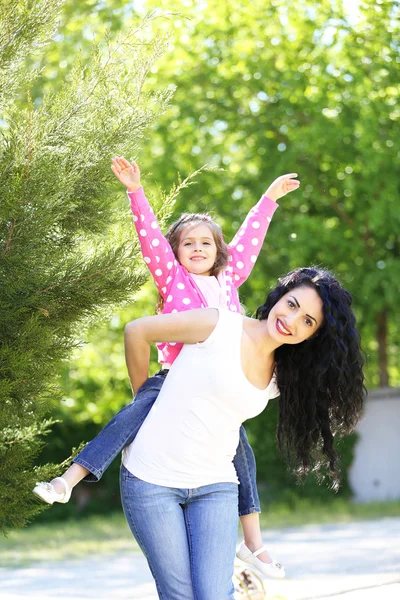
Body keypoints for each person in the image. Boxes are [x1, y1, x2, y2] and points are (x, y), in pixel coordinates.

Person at [33, 157, 300, 579]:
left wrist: (268, 199)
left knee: (242, 458)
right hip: (172, 381)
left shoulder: (229, 280)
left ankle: (253, 543)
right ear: (176, 253)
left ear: (218, 252)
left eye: (206, 243)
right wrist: (135, 192)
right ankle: (70, 479)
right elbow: (151, 240)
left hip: (221, 393)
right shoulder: (172, 280)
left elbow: (249, 239)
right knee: (131, 415)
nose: (197, 248)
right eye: (188, 243)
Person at [120, 266, 365, 599]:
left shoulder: (284, 376)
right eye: (292, 305)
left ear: (314, 335)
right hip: (151, 479)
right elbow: (137, 331)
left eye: (308, 321)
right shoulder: (219, 324)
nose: (292, 321)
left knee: (215, 595)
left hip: (216, 486)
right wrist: (142, 405)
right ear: (280, 296)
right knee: (179, 596)